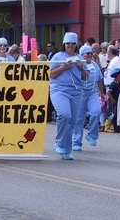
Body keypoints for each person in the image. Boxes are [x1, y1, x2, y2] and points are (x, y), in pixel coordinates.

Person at [49, 32, 88, 160]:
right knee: (64, 114)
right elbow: (50, 74)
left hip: (76, 92)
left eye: (72, 43)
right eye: (67, 43)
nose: (70, 46)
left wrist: (81, 68)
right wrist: (63, 67)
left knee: (72, 121)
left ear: (76, 45)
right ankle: (58, 142)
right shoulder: (58, 56)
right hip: (59, 90)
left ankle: (66, 150)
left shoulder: (80, 58)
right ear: (64, 44)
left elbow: (86, 77)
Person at [72, 45, 104, 151]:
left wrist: (102, 93)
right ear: (81, 55)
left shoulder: (95, 65)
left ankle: (92, 135)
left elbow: (99, 80)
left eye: (91, 53)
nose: (89, 55)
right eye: (87, 54)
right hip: (80, 93)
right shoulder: (76, 65)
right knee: (79, 118)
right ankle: (76, 142)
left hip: (92, 93)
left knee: (96, 112)